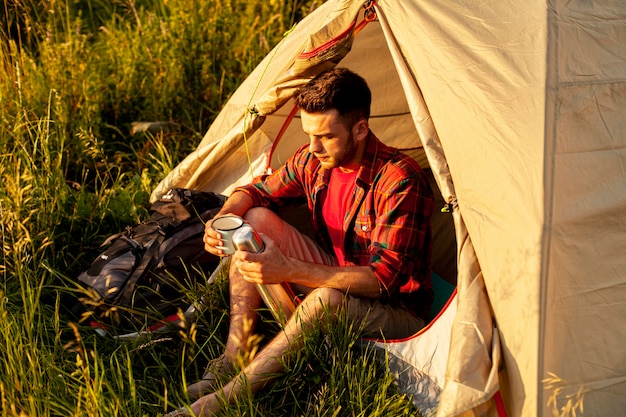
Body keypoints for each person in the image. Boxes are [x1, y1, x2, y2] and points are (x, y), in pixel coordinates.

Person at [167, 67, 434, 416]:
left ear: (360, 128)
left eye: (325, 136)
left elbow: (383, 280)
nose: (313, 146)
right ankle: (236, 355)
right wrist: (223, 218)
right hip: (339, 278)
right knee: (255, 222)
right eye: (308, 134)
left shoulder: (399, 181)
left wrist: (289, 269)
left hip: (400, 313)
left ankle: (223, 401)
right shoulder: (314, 160)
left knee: (325, 299)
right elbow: (255, 191)